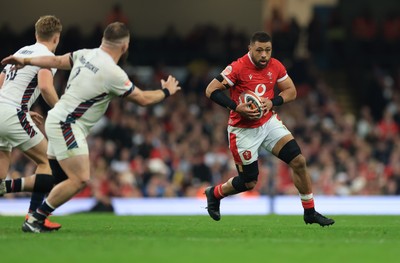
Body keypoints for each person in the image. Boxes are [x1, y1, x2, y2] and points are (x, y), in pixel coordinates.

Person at [1, 22, 181, 233]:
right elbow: (142, 98)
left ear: (104, 40)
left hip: (56, 118)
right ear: (125, 46)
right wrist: (166, 91)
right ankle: (36, 219)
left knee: (56, 178)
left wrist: (25, 59)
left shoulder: (85, 54)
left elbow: (56, 61)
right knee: (80, 179)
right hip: (68, 124)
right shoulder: (113, 73)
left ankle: (10, 190)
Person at [204, 31, 335, 226]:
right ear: (250, 49)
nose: (264, 55)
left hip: (268, 123)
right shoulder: (237, 67)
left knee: (298, 161)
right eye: (259, 50)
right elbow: (210, 90)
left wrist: (272, 102)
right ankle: (214, 193)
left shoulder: (276, 65)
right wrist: (236, 107)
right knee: (249, 182)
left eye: (267, 50)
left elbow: (291, 91)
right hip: (243, 131)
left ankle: (310, 211)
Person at [0, 15, 63, 230]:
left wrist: (24, 110)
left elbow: (1, 84)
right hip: (11, 113)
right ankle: (34, 218)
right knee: (48, 162)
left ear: (36, 35)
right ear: (56, 39)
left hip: (4, 109)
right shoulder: (47, 56)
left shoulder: (21, 52)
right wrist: (62, 112)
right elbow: (45, 87)